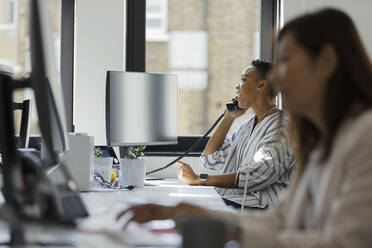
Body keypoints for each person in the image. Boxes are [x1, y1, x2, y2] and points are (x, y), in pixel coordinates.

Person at [117, 8, 372, 246]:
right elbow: (281, 221)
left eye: (285, 60)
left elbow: (343, 243)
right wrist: (193, 216)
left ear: (326, 61)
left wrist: (203, 187)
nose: (276, 77)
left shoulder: (364, 136)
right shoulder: (318, 142)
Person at [176, 59, 295, 209]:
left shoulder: (283, 126)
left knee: (194, 210)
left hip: (264, 207)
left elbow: (257, 175)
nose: (237, 86)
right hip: (239, 201)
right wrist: (229, 118)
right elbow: (210, 161)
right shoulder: (247, 127)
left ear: (261, 85)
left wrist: (200, 180)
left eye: (243, 79)